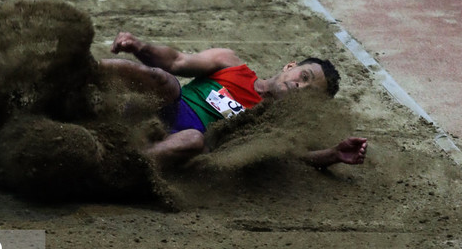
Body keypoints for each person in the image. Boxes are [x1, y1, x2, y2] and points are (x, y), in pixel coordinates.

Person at [100, 32, 367, 168]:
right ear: (290, 66)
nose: (299, 86)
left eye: (309, 92)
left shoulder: (275, 126)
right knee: (166, 80)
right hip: (159, 110)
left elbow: (296, 156)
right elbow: (176, 61)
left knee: (194, 139)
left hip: (181, 144)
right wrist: (140, 47)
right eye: (304, 76)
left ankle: (118, 167)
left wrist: (333, 154)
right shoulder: (231, 64)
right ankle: (83, 71)